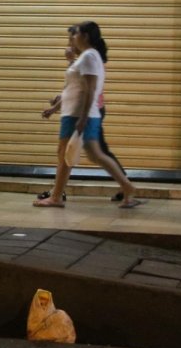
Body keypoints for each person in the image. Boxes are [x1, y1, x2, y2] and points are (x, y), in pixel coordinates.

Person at [34, 22, 141, 209]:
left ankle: (56, 197)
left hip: (78, 114)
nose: (72, 39)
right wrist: (56, 108)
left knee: (66, 155)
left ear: (85, 36)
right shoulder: (86, 57)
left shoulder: (89, 57)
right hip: (77, 113)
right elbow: (74, 89)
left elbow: (90, 89)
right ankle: (127, 186)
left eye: (75, 35)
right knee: (94, 154)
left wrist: (82, 118)